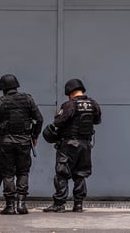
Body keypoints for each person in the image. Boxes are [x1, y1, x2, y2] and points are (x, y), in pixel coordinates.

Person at [0, 74, 43, 215]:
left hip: (6, 143)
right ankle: (21, 204)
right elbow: (39, 119)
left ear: (2, 88)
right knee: (23, 171)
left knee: (8, 173)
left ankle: (10, 206)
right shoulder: (27, 99)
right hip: (24, 142)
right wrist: (34, 136)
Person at [43, 78, 101, 213]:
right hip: (86, 145)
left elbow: (58, 122)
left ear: (70, 92)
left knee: (62, 174)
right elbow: (97, 121)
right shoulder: (93, 104)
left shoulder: (69, 105)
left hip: (69, 145)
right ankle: (78, 204)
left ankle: (59, 204)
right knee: (80, 174)